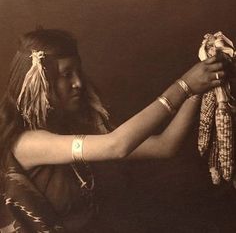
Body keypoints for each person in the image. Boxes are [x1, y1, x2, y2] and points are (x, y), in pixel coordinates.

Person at [0, 28, 232, 233]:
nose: (78, 83)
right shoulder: (28, 143)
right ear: (39, 82)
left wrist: (201, 87)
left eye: (78, 71)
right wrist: (184, 85)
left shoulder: (71, 132)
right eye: (66, 74)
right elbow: (116, 145)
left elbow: (165, 145)